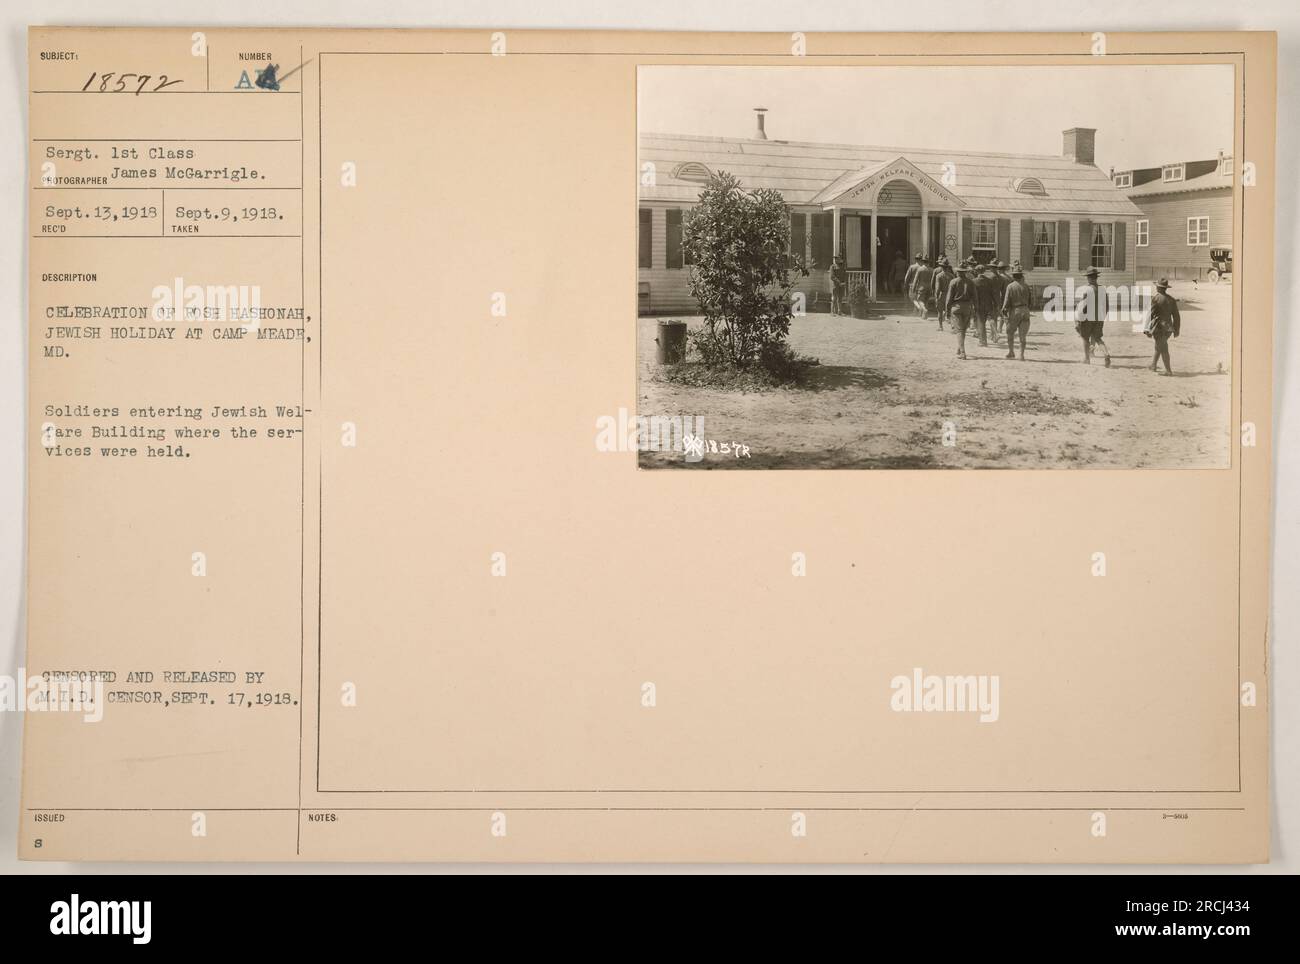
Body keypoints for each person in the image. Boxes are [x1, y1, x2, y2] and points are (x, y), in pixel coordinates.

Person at [1143, 277, 1182, 374]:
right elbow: (1176, 316)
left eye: (1157, 286)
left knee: (1163, 348)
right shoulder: (1171, 300)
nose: (1156, 288)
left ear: (1159, 288)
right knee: (1159, 345)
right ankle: (1153, 365)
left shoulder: (1156, 298)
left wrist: (1147, 328)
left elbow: (1150, 314)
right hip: (1168, 328)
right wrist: (1176, 330)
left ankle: (1168, 371)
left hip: (1158, 327)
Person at [1076, 266, 1112, 366]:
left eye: (1088, 277)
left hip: (1088, 317)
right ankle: (1106, 354)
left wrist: (1079, 319)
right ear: (1096, 277)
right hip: (1099, 317)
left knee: (1085, 338)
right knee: (1098, 338)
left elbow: (1082, 305)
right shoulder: (1103, 289)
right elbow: (1107, 306)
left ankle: (1087, 358)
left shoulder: (1086, 289)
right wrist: (1102, 316)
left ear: (1089, 278)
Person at [944, 263, 977, 360]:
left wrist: (947, 310)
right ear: (965, 272)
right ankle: (959, 347)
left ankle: (962, 352)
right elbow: (975, 297)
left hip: (956, 307)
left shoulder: (953, 282)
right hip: (967, 307)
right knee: (963, 330)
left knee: (959, 330)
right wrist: (975, 308)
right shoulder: (971, 282)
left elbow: (949, 297)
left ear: (958, 272)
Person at [1001, 263, 1033, 361]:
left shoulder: (1010, 286)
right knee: (1022, 335)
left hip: (1014, 311)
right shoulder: (1027, 286)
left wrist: (1003, 311)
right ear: (1021, 276)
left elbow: (1006, 301)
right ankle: (1021, 355)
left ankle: (1011, 352)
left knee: (1010, 333)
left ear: (1013, 276)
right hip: (1025, 310)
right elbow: (1031, 301)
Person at [972, 260, 996, 347]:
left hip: (979, 305)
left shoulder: (974, 281)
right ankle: (995, 332)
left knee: (981, 322)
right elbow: (993, 293)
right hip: (989, 304)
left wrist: (973, 305)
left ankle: (983, 341)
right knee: (989, 319)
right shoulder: (989, 281)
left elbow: (973, 295)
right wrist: (995, 303)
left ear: (977, 271)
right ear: (984, 271)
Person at [931, 255, 955, 330]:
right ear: (947, 267)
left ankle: (940, 326)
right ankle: (952, 326)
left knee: (940, 311)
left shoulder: (939, 276)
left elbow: (937, 288)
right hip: (950, 295)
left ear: (941, 267)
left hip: (942, 294)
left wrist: (936, 297)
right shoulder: (952, 276)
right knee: (950, 311)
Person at [912, 256, 935, 321]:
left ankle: (924, 310)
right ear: (928, 262)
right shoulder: (932, 270)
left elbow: (915, 280)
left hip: (921, 287)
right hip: (929, 287)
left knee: (920, 300)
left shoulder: (920, 269)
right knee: (926, 300)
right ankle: (924, 316)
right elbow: (933, 280)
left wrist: (913, 288)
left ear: (923, 262)